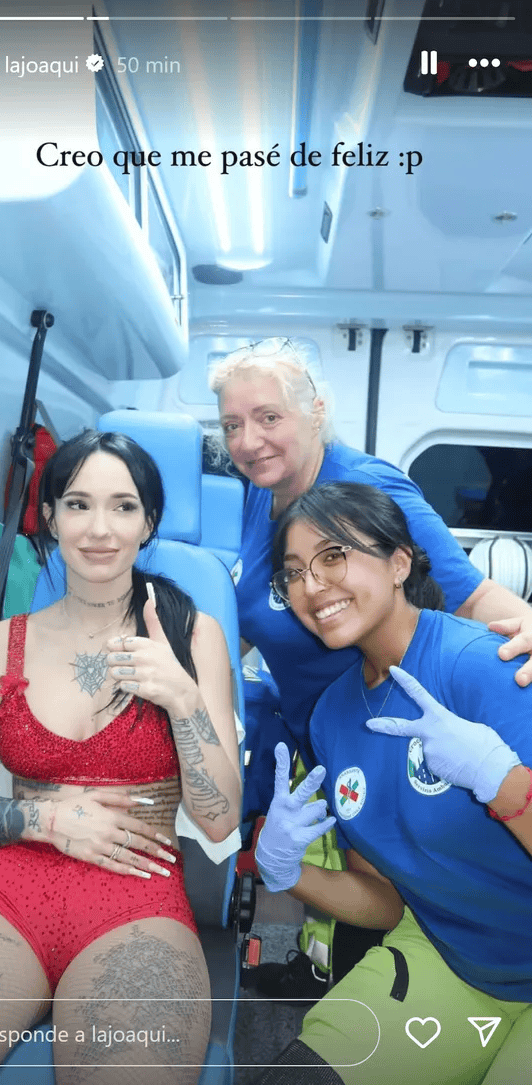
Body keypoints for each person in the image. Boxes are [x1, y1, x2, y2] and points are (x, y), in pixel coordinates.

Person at [209, 337, 532, 994]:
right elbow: (251, 618)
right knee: (336, 875)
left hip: (395, 728)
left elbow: (469, 594)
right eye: (232, 424)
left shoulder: (368, 487)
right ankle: (323, 967)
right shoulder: (259, 495)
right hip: (324, 728)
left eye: (268, 417)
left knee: (397, 887)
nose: (248, 440)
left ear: (316, 412)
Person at [0, 430, 241, 1085]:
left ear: (149, 522)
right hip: (7, 896)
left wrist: (183, 698)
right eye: (78, 504)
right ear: (50, 516)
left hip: (139, 904)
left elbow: (218, 821)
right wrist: (49, 820)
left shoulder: (192, 634)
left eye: (123, 506)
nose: (99, 528)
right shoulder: (3, 643)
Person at [253, 481, 532, 1085]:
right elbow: (384, 899)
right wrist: (286, 872)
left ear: (400, 563)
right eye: (294, 572)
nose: (312, 585)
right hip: (453, 961)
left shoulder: (485, 666)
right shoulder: (332, 717)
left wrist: (503, 782)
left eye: (333, 555)